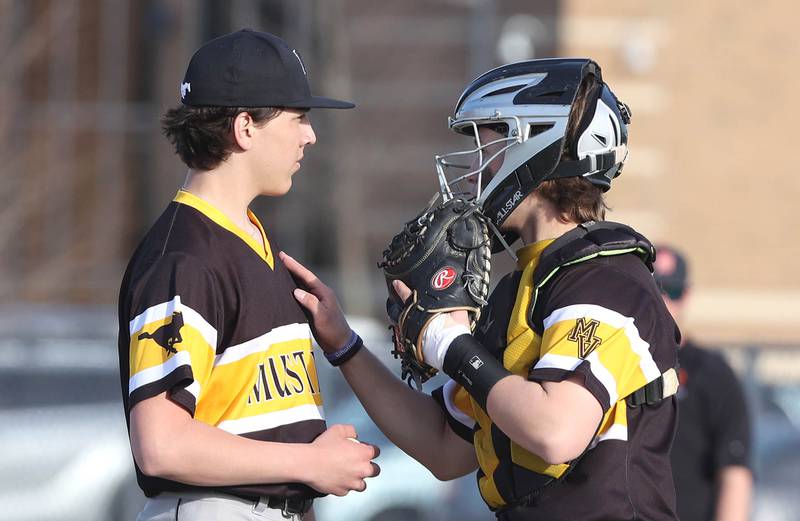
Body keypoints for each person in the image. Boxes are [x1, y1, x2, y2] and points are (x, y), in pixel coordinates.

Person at [282, 59, 681, 520]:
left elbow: (556, 431)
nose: (473, 169)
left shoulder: (606, 279)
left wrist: (449, 343)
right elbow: (442, 448)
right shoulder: (521, 288)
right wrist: (344, 344)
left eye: (485, 146)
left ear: (534, 144)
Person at [117, 29, 379, 521]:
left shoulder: (253, 238)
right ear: (244, 127)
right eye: (299, 117)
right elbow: (160, 444)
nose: (310, 135)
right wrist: (308, 462)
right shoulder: (184, 258)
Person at [654, 245, 753, 521]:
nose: (662, 300)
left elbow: (734, 473)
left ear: (686, 295)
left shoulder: (712, 374)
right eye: (654, 289)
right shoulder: (616, 365)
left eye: (671, 291)